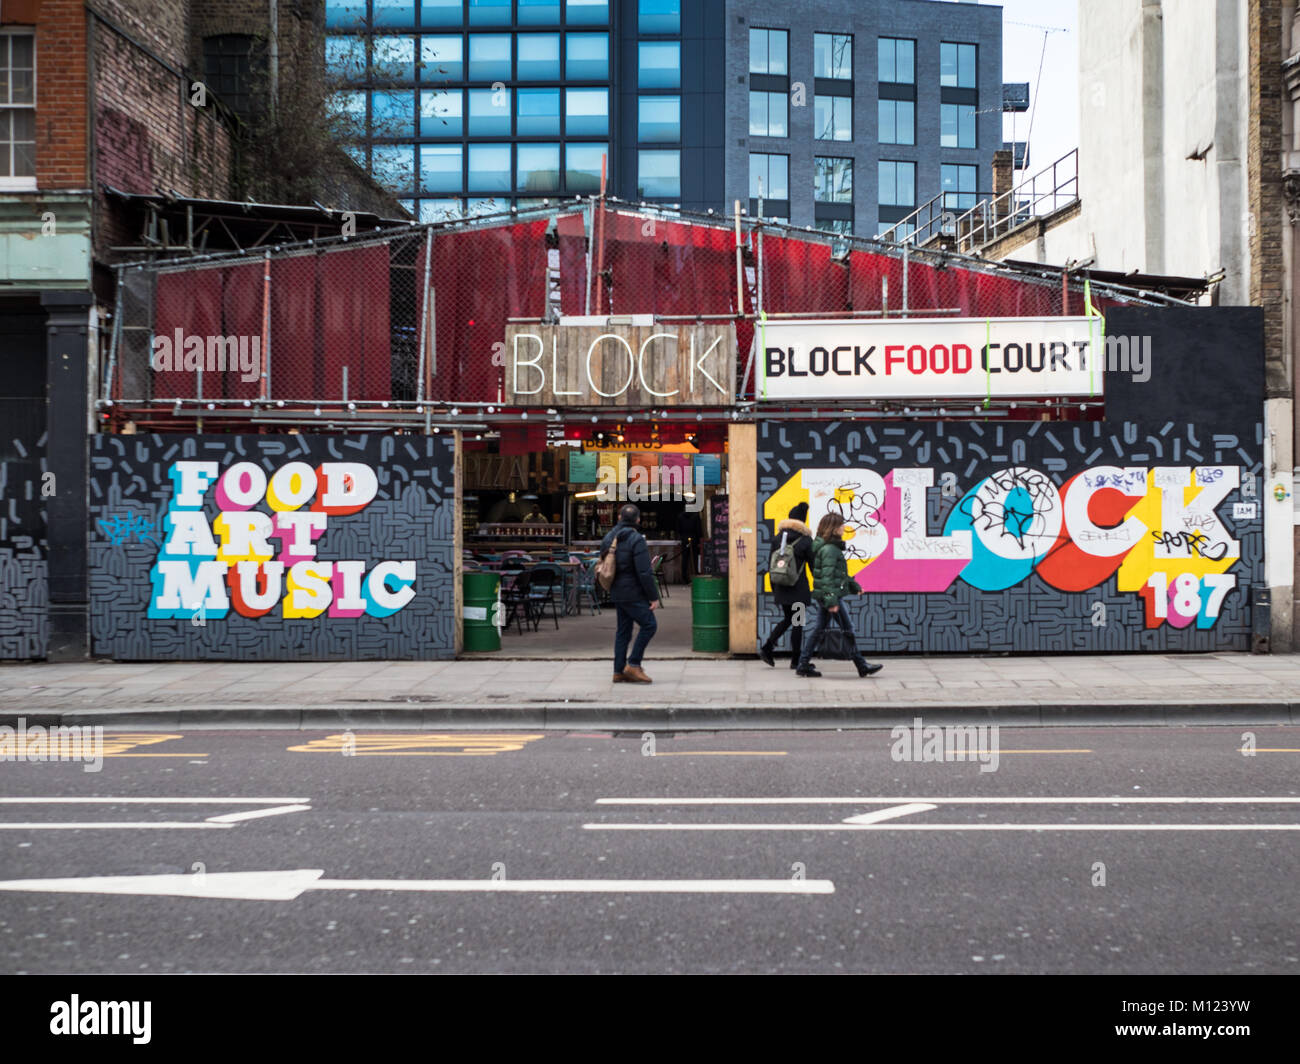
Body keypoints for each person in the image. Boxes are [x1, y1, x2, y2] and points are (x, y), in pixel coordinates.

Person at [795, 512, 884, 679]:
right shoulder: (829, 550)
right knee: (847, 628)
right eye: (842, 525)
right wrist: (831, 601)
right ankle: (861, 665)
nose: (844, 528)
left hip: (828, 595)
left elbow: (839, 574)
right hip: (831, 596)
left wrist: (854, 586)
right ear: (834, 528)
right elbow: (828, 578)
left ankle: (803, 663)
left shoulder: (829, 548)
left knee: (819, 629)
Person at [600, 503, 661, 683]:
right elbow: (644, 571)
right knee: (650, 625)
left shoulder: (609, 537)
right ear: (638, 520)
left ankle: (618, 671)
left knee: (623, 631)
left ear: (619, 518)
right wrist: (653, 596)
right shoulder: (636, 539)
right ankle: (633, 664)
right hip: (633, 591)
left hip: (616, 590)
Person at [759, 502, 815, 668]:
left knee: (788, 619)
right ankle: (795, 660)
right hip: (798, 590)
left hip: (781, 588)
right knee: (797, 622)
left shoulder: (778, 539)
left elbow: (771, 565)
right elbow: (813, 566)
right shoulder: (805, 540)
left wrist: (775, 589)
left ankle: (768, 647)